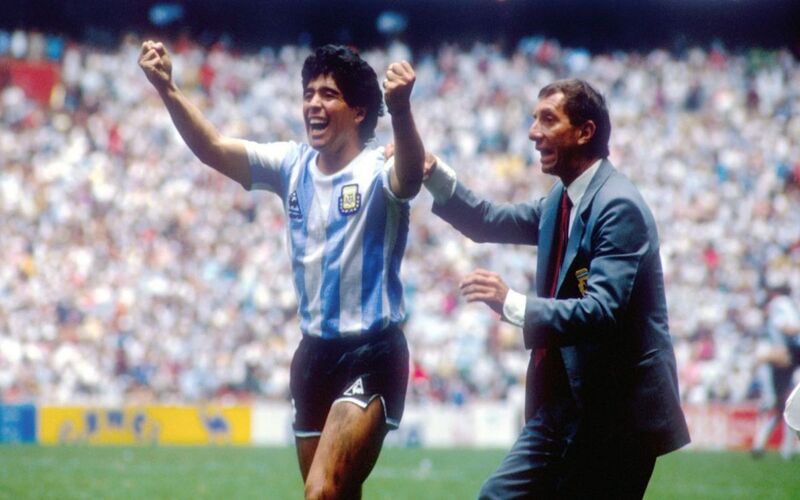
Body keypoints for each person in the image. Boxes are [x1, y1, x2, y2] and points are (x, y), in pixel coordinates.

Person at [139, 41, 425, 499]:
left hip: (372, 351)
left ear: (358, 112)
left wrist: (402, 110)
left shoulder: (378, 169)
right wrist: (167, 89)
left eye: (328, 94)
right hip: (313, 356)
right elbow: (213, 148)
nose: (314, 103)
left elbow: (409, 179)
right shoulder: (292, 165)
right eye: (308, 93)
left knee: (321, 491)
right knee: (339, 493)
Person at [422, 79, 690, 498]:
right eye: (535, 120)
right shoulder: (559, 202)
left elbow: (603, 310)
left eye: (548, 120)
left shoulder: (618, 206)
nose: (533, 132)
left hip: (618, 415)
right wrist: (433, 174)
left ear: (585, 132)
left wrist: (512, 303)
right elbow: (487, 220)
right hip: (566, 406)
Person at [751, 283, 800, 460]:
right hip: (784, 358)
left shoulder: (779, 305)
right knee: (784, 409)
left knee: (782, 409)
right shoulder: (783, 304)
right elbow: (786, 327)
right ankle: (784, 450)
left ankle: (766, 446)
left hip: (783, 359)